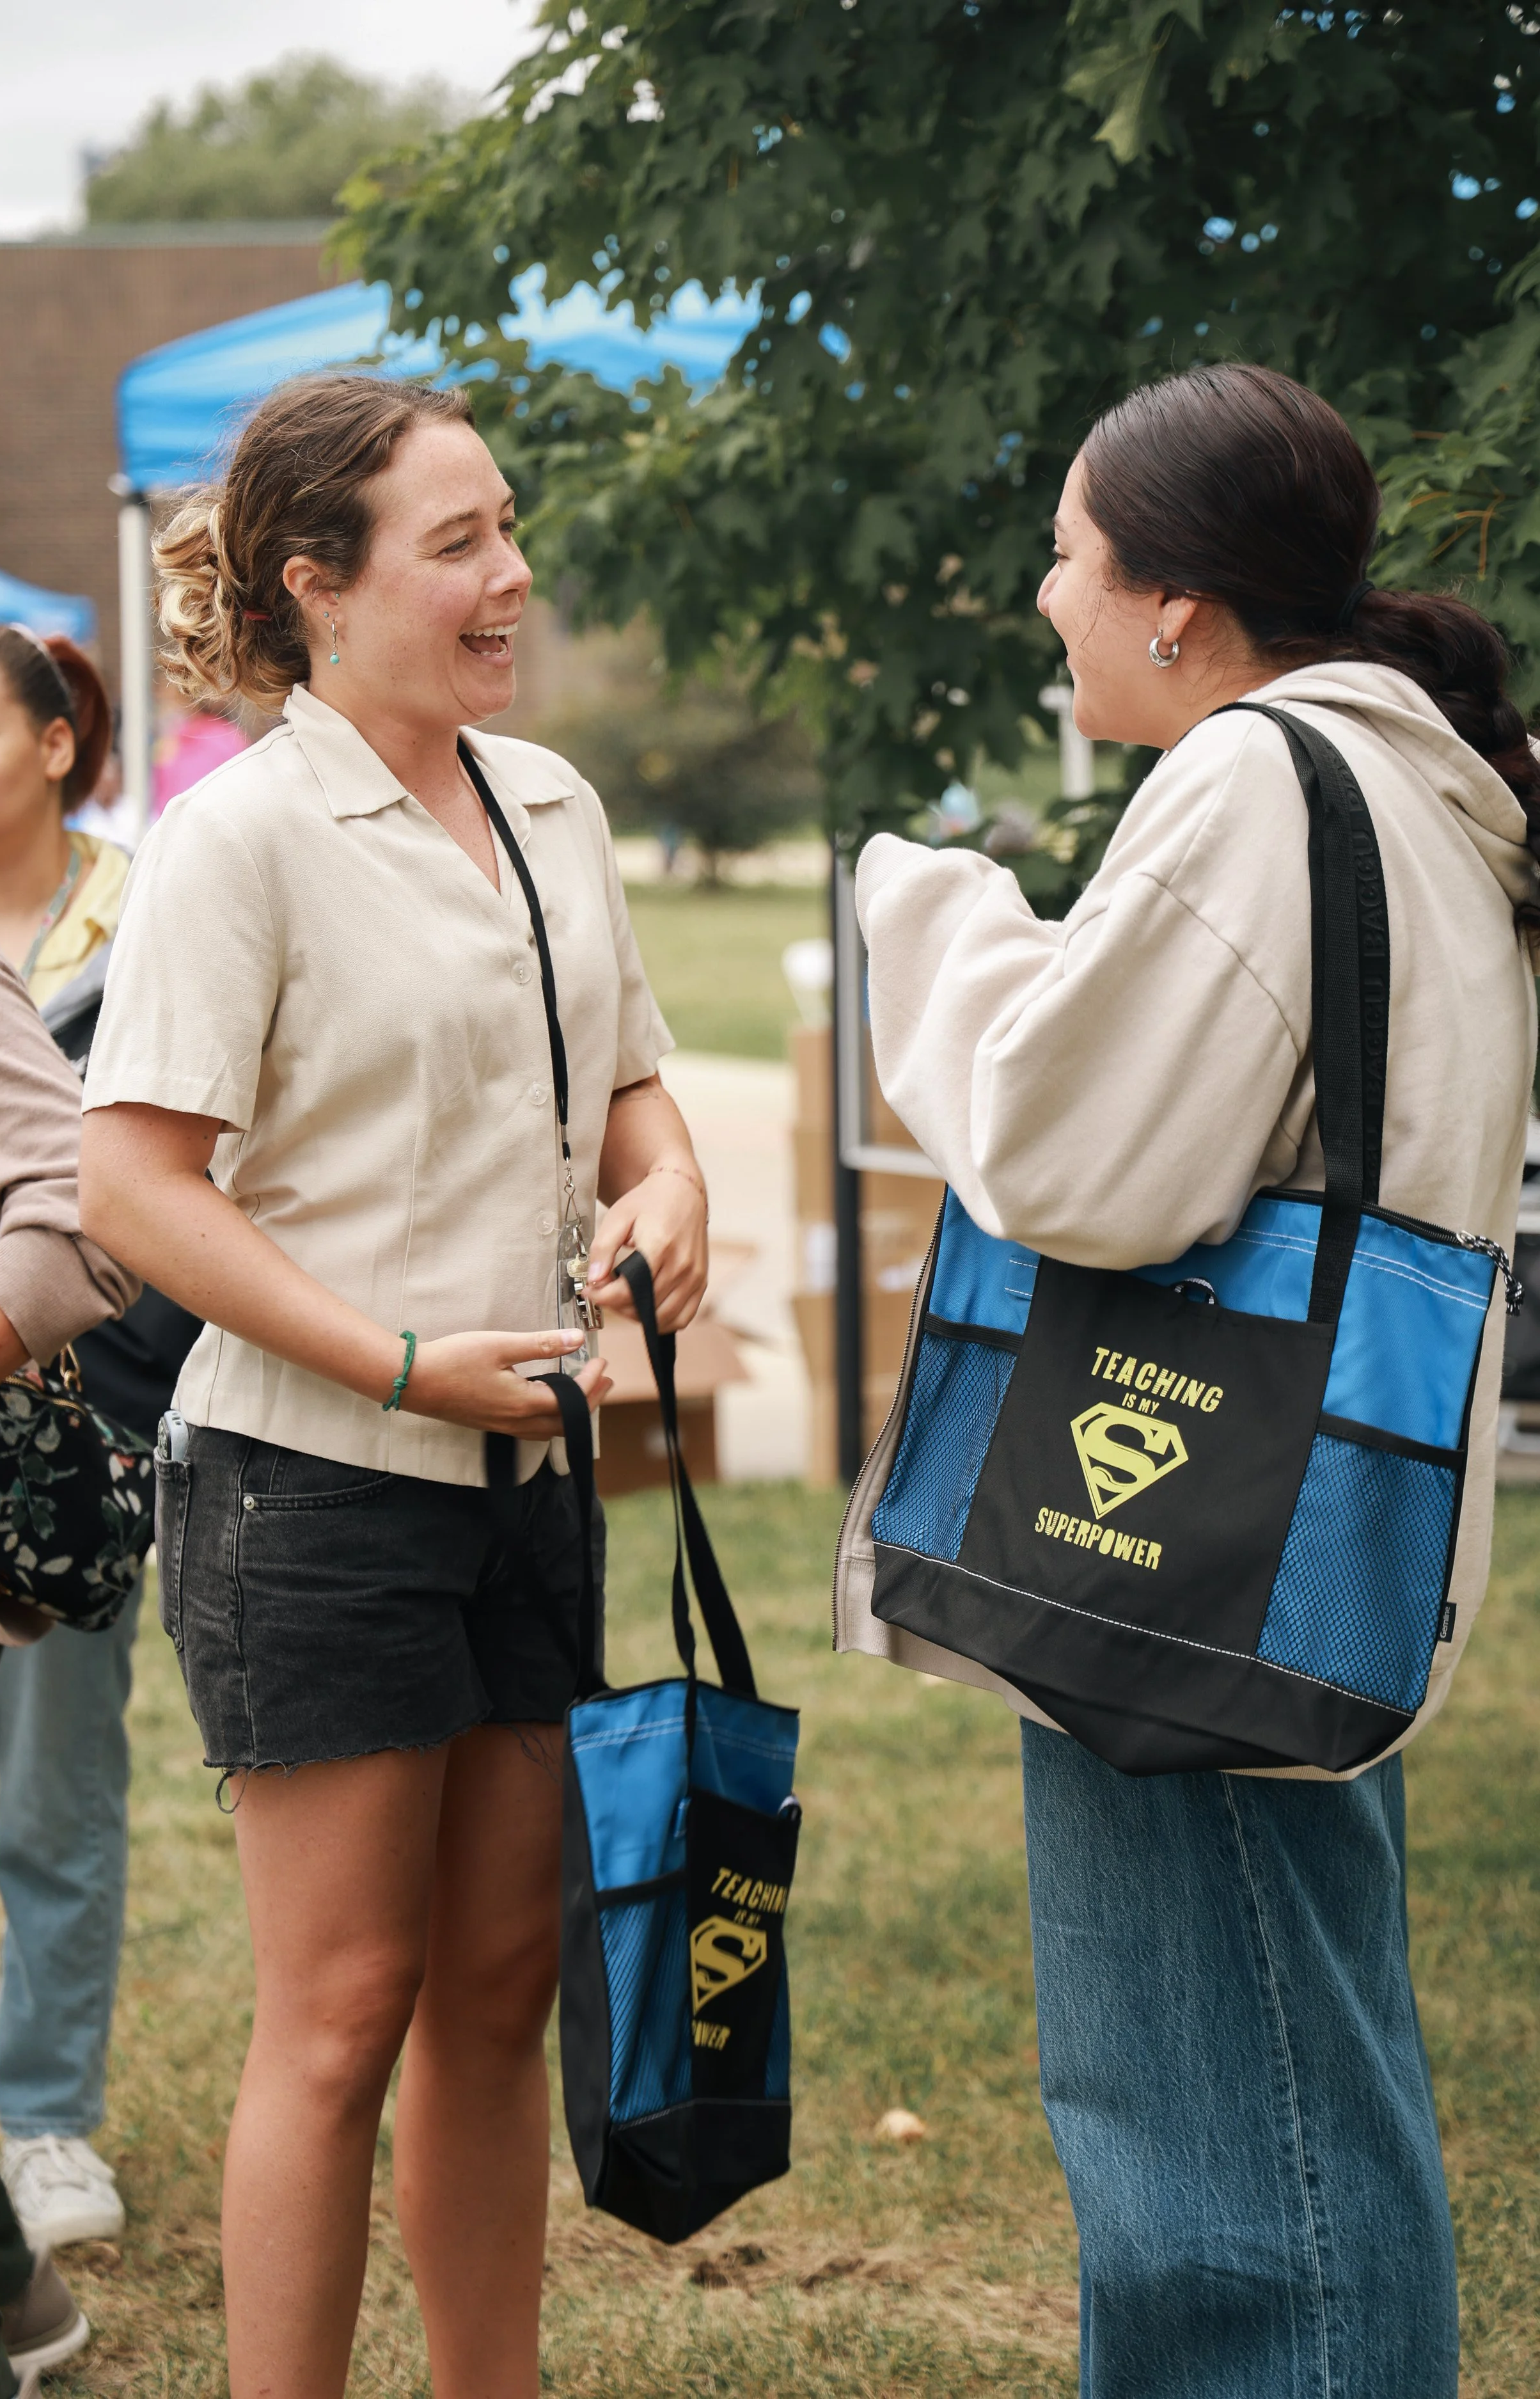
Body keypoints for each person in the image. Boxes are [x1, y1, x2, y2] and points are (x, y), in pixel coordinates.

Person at [851, 363, 1538, 2398]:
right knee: (1289, 2064)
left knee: (1223, 2138)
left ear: (1173, 602)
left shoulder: (1254, 774)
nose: (1043, 592)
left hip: (1184, 1544)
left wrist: (942, 914)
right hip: (1314, 1518)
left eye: (1066, 552)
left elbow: (1078, 1155)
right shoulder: (1410, 776)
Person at [77, 374, 710, 2399]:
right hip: (308, 1488)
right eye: (458, 543)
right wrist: (406, 1360)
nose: (511, 573)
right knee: (340, 2010)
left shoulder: (552, 807)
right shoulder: (237, 840)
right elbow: (131, 1189)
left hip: (527, 1477)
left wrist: (672, 1185)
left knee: (501, 1988)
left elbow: (624, 1089)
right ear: (314, 586)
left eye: (506, 526)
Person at [0, 623, 198, 2251]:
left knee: (54, 1782)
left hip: (75, 1421)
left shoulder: (157, 912)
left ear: (52, 743)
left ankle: (44, 2122)